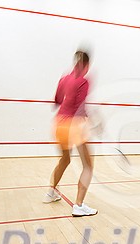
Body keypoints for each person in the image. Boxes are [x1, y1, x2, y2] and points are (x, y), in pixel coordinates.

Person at [43, 50, 97, 216]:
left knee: (65, 159)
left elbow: (58, 101)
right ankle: (79, 205)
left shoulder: (64, 78)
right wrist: (92, 119)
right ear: (86, 65)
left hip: (59, 125)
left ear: (75, 62)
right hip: (75, 125)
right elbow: (80, 107)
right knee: (88, 165)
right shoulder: (84, 81)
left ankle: (51, 192)